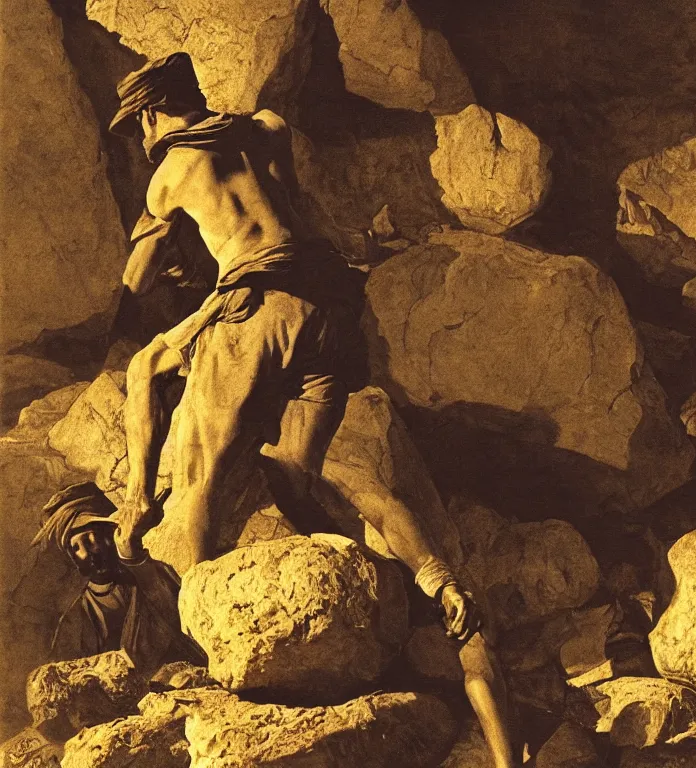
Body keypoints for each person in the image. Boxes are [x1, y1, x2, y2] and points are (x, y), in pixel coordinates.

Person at [107, 53, 517, 766]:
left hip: (256, 306)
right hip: (326, 307)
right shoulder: (263, 129)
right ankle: (432, 578)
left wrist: (165, 253)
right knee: (303, 470)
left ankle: (181, 601)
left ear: (150, 113)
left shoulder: (167, 174)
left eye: (140, 119)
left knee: (197, 474)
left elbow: (136, 279)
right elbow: (285, 198)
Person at [33, 482, 206, 678]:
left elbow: (183, 617)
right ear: (72, 559)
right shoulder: (74, 622)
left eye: (94, 537)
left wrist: (134, 558)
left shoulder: (150, 574)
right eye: (76, 547)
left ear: (113, 534)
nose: (92, 551)